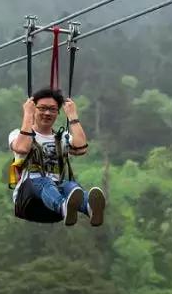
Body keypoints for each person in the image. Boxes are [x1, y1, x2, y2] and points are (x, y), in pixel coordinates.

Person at [8, 88, 106, 226]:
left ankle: (89, 208)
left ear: (57, 113)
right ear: (34, 109)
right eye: (42, 108)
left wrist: (72, 116)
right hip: (28, 199)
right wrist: (27, 115)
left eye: (52, 109)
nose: (47, 113)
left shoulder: (61, 138)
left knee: (71, 186)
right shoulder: (18, 135)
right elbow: (22, 148)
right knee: (44, 181)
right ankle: (63, 206)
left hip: (53, 202)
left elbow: (81, 148)